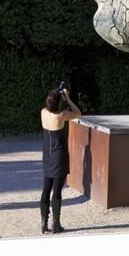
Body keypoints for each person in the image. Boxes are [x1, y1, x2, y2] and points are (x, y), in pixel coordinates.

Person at [40, 87, 81, 234]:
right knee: (56, 192)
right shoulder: (61, 116)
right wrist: (68, 99)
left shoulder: (43, 113)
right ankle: (56, 225)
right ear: (58, 103)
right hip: (59, 158)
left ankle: (43, 222)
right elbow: (78, 113)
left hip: (47, 157)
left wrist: (56, 94)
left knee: (46, 189)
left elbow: (50, 104)